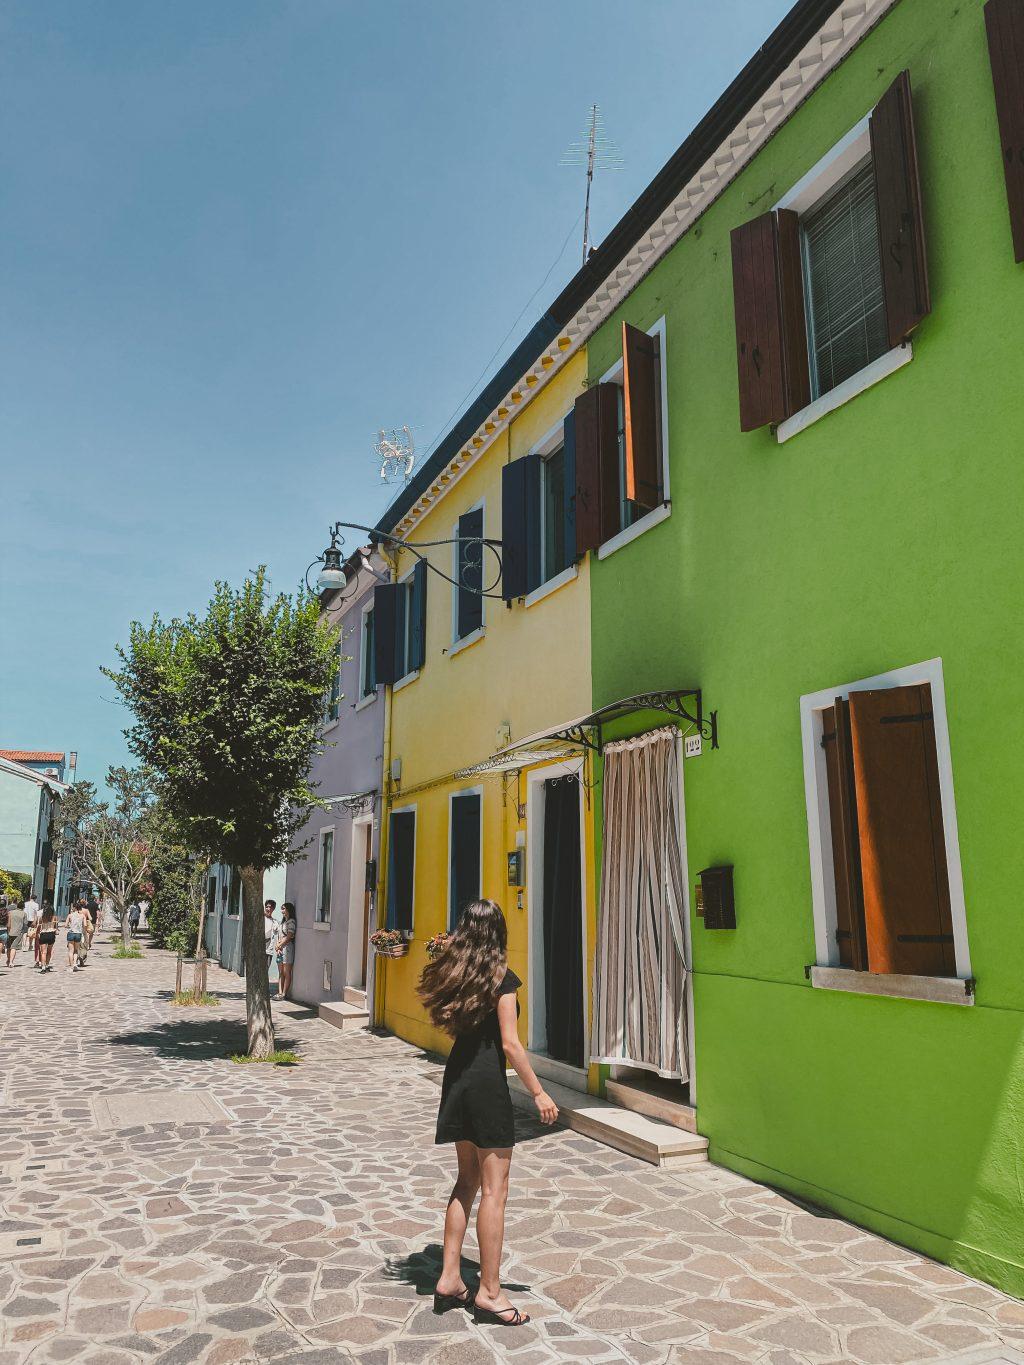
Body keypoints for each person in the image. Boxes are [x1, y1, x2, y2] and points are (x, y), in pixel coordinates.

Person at [417, 899, 558, 1327]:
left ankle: (448, 1278)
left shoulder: (455, 974)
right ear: (497, 932)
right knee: (495, 1191)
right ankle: (491, 1294)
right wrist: (539, 1093)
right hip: (486, 1085)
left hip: (457, 1079)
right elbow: (511, 1044)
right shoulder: (502, 979)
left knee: (466, 1181)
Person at [275, 903, 296, 1000]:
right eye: (281, 909)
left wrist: (280, 945)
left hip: (287, 949)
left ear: (288, 910)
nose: (282, 911)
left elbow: (289, 935)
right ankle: (279, 992)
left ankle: (284, 993)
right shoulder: (282, 923)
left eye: (284, 909)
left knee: (286, 971)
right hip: (281, 948)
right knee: (280, 972)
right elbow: (279, 936)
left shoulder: (291, 922)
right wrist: (278, 946)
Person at [66, 902, 86, 971]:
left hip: (71, 933)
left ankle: (71, 966)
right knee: (76, 950)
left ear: (74, 908)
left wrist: (70, 925)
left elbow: (66, 925)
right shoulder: (82, 916)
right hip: (78, 934)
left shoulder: (70, 915)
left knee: (70, 951)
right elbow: (85, 925)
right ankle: (75, 964)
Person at [36, 904, 57, 972]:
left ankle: (43, 967)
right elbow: (55, 927)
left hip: (44, 934)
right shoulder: (54, 917)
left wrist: (37, 933)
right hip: (51, 934)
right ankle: (47, 965)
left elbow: (39, 927)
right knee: (49, 951)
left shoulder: (42, 918)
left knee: (43, 952)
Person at [6, 900, 27, 967]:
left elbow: (8, 923)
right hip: (18, 932)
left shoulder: (10, 912)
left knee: (9, 947)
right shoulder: (24, 914)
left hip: (9, 931)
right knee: (13, 947)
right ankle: (11, 962)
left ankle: (8, 960)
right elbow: (25, 923)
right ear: (23, 907)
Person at [24, 894, 41, 965]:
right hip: (32, 919)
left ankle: (24, 945)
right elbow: (36, 913)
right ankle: (30, 945)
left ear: (30, 897)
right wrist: (35, 921)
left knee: (25, 933)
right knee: (32, 932)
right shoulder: (36, 905)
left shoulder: (26, 903)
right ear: (35, 899)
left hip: (25, 919)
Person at [264, 899, 278, 976]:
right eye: (267, 907)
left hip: (269, 948)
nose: (268, 909)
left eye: (270, 907)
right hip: (260, 947)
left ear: (273, 909)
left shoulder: (275, 922)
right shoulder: (261, 919)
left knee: (266, 969)